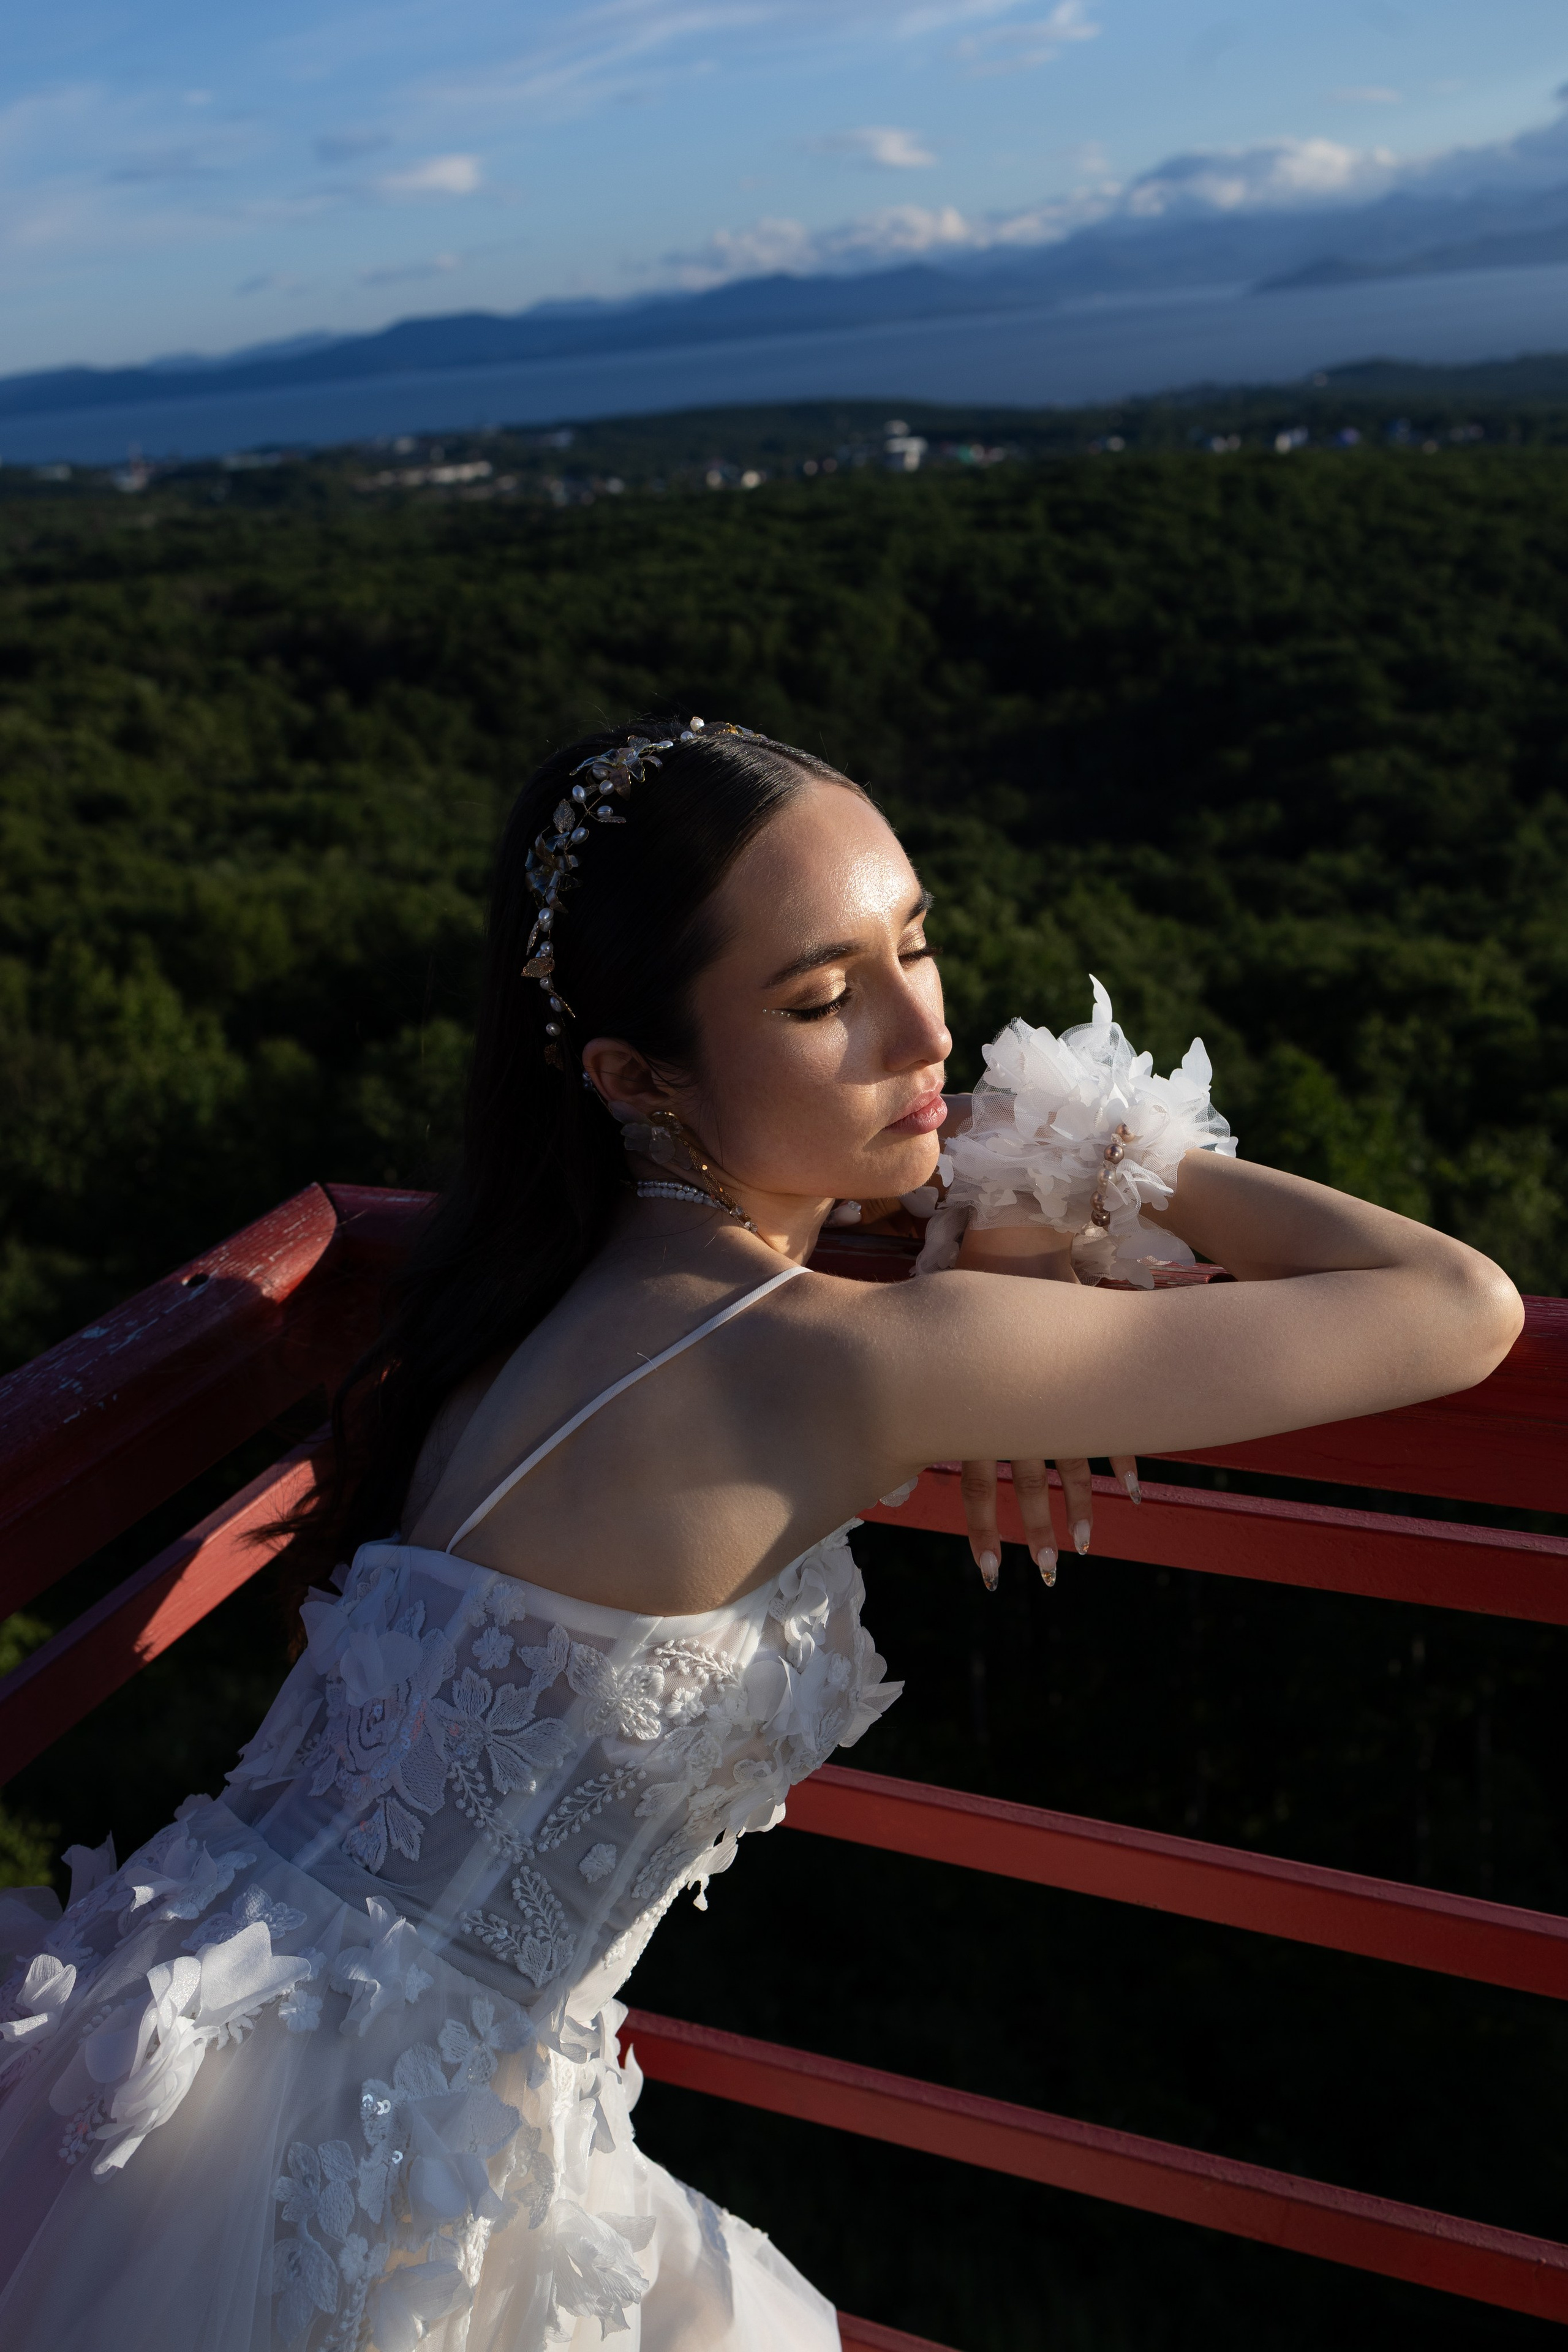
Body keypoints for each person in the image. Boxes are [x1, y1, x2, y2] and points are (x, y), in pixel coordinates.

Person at [0, 719, 1521, 2352]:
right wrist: (1081, 1147)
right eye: (823, 1001)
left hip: (205, 2023)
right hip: (363, 2147)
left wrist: (950, 1201)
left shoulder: (545, 1290)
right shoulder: (819, 1362)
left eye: (917, 943)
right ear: (634, 1078)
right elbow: (1458, 1308)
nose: (927, 1030)